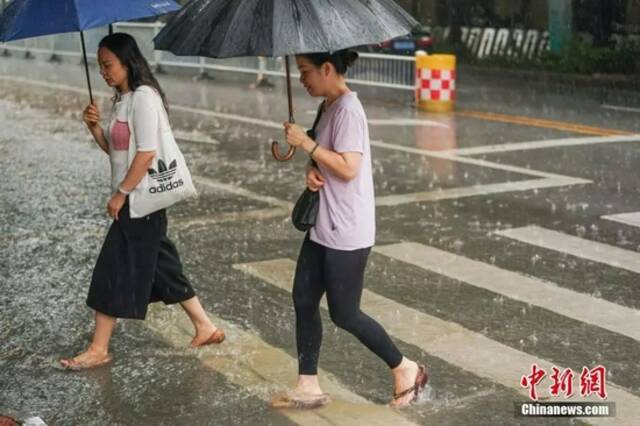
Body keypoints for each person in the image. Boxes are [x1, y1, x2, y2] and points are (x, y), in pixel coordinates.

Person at [273, 50, 428, 408]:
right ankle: (308, 384)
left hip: (347, 230)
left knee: (345, 313)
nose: (302, 79)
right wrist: (310, 169)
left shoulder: (349, 110)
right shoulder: (327, 105)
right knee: (304, 298)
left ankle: (405, 368)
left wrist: (307, 144)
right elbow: (326, 161)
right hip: (323, 223)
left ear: (328, 69)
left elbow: (348, 167)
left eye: (306, 71)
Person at [60, 33, 224, 370]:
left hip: (140, 202)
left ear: (127, 62)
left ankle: (99, 348)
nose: (103, 72)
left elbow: (147, 153)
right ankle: (205, 327)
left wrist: (121, 193)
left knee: (110, 270)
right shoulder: (123, 99)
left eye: (108, 65)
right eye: (100, 66)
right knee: (163, 267)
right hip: (138, 203)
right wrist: (95, 130)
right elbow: (120, 152)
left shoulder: (145, 98)